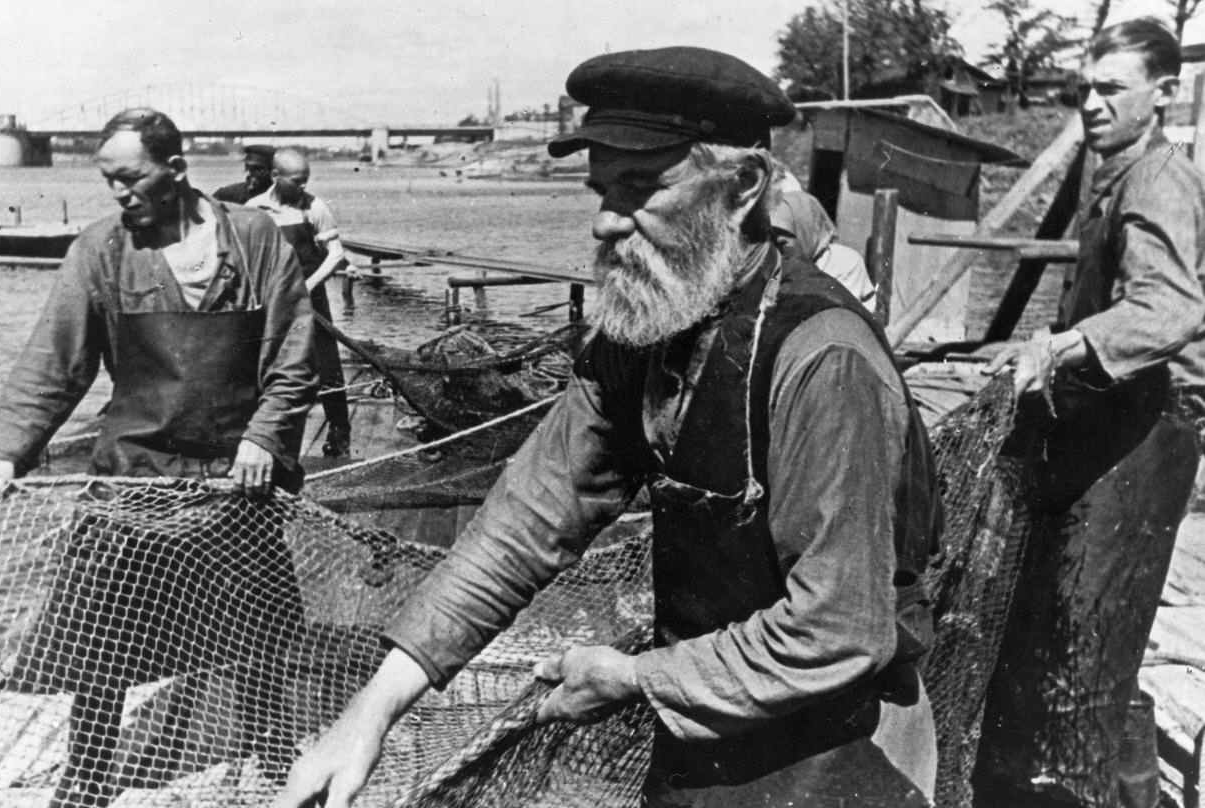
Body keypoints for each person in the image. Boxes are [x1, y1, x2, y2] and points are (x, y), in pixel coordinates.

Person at [275, 46, 942, 808]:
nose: (606, 221)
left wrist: (631, 678)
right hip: (702, 740)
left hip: (842, 750)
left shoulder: (823, 358)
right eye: (600, 190)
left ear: (744, 187)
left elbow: (839, 630)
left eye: (640, 188)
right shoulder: (650, 326)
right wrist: (371, 713)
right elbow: (527, 518)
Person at [0, 108, 317, 808]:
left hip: (232, 474)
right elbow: (53, 364)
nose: (118, 194)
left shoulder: (255, 240)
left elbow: (294, 357)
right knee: (101, 634)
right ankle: (88, 772)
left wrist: (263, 438)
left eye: (131, 179)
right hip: (133, 472)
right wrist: (6, 451)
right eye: (108, 181)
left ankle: (274, 757)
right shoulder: (99, 250)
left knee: (259, 630)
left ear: (174, 172)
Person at [976, 18, 1205, 808]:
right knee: (1102, 639)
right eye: (1087, 89)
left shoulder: (1159, 180)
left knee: (1082, 660)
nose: (1093, 105)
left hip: (1151, 429)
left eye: (1113, 89)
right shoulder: (1117, 174)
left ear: (1164, 94)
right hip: (1116, 421)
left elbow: (1168, 307)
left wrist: (1065, 346)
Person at [248, 147, 353, 457]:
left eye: (306, 180)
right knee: (267, 361)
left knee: (326, 362)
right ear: (276, 176)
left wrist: (307, 286)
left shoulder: (314, 208)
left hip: (311, 295)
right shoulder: (255, 210)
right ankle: (264, 433)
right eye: (296, 181)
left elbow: (336, 255)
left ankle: (339, 429)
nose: (303, 187)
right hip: (272, 299)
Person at [770, 190, 877, 312]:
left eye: (786, 233)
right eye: (774, 233)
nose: (778, 240)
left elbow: (840, 315)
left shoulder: (845, 263)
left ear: (805, 229)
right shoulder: (777, 264)